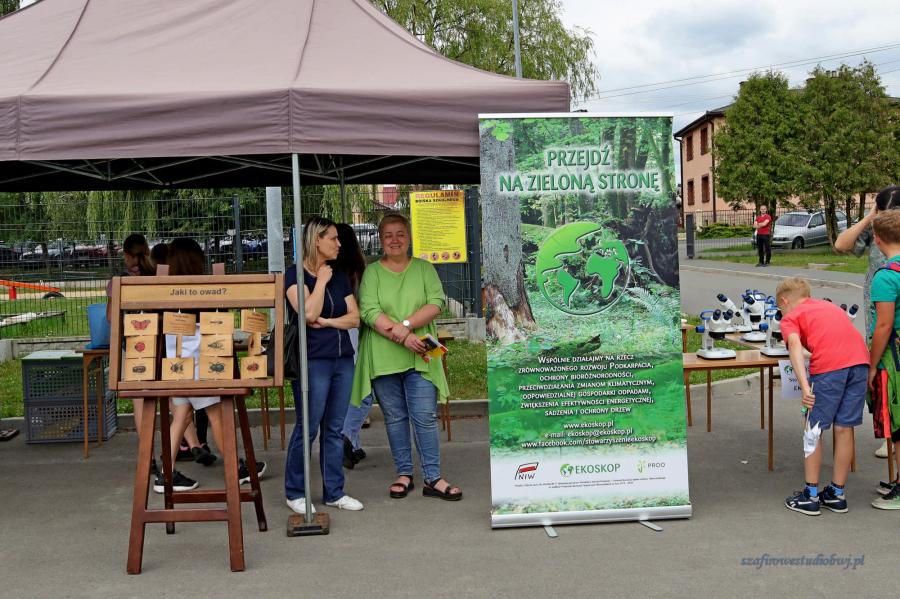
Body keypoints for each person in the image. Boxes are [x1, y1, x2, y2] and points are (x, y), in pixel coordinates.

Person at [352, 214, 462, 501]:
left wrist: (406, 326)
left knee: (424, 416)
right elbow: (369, 311)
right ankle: (404, 473)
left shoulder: (424, 269)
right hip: (383, 356)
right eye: (388, 235)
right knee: (395, 417)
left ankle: (432, 477)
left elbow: (436, 303)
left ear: (409, 237)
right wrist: (404, 336)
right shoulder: (372, 273)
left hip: (420, 355)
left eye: (400, 233)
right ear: (380, 239)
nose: (395, 240)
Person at [154, 238, 265, 493]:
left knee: (181, 417)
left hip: (176, 366)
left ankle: (165, 474)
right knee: (217, 416)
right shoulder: (204, 290)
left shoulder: (166, 290)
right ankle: (236, 468)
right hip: (201, 365)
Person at [284, 217, 364, 514]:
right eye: (333, 238)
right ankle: (295, 492)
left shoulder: (339, 274)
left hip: (342, 359)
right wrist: (320, 282)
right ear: (316, 240)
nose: (339, 244)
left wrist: (328, 322)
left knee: (334, 427)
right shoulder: (294, 275)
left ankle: (334, 491)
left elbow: (355, 318)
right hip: (313, 360)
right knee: (308, 426)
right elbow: (307, 314)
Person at [778, 277, 869, 515]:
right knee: (844, 427)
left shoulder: (790, 317)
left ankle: (810, 495)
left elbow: (794, 347)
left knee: (814, 428)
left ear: (784, 301)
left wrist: (805, 387)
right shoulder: (828, 307)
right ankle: (837, 493)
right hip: (860, 362)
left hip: (830, 368)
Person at [835, 184, 900, 458]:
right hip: (877, 310)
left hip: (893, 318)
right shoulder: (877, 230)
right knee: (883, 379)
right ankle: (889, 436)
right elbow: (841, 245)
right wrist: (871, 216)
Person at [106, 234, 155, 468]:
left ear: (126, 255)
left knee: (140, 402)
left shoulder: (119, 282)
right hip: (160, 345)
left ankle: (148, 456)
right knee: (173, 401)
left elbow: (110, 317)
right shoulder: (158, 276)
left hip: (135, 347)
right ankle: (188, 444)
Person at [866, 211, 900, 509]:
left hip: (894, 358)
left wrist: (872, 363)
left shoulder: (886, 276)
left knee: (898, 422)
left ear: (877, 239)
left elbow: (884, 325)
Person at [333, 223, 373, 469]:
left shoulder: (328, 271)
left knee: (347, 394)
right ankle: (346, 438)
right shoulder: (359, 271)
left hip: (333, 337)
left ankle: (353, 445)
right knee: (363, 394)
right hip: (356, 335)